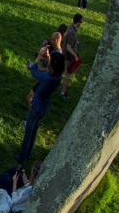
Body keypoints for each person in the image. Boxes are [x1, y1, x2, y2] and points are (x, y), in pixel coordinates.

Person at [16, 32, 64, 163]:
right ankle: (28, 153)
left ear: (53, 68)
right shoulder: (57, 77)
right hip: (45, 105)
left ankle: (22, 156)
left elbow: (34, 71)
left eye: (50, 65)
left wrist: (38, 58)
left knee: (28, 131)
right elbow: (50, 68)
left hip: (36, 105)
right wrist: (48, 58)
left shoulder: (47, 78)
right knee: (34, 130)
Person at [60, 14, 84, 98]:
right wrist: (76, 56)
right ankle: (63, 93)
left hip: (63, 54)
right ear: (79, 22)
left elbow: (64, 37)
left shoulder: (70, 27)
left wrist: (75, 41)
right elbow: (68, 47)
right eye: (82, 21)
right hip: (68, 57)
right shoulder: (73, 33)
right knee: (67, 76)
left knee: (63, 73)